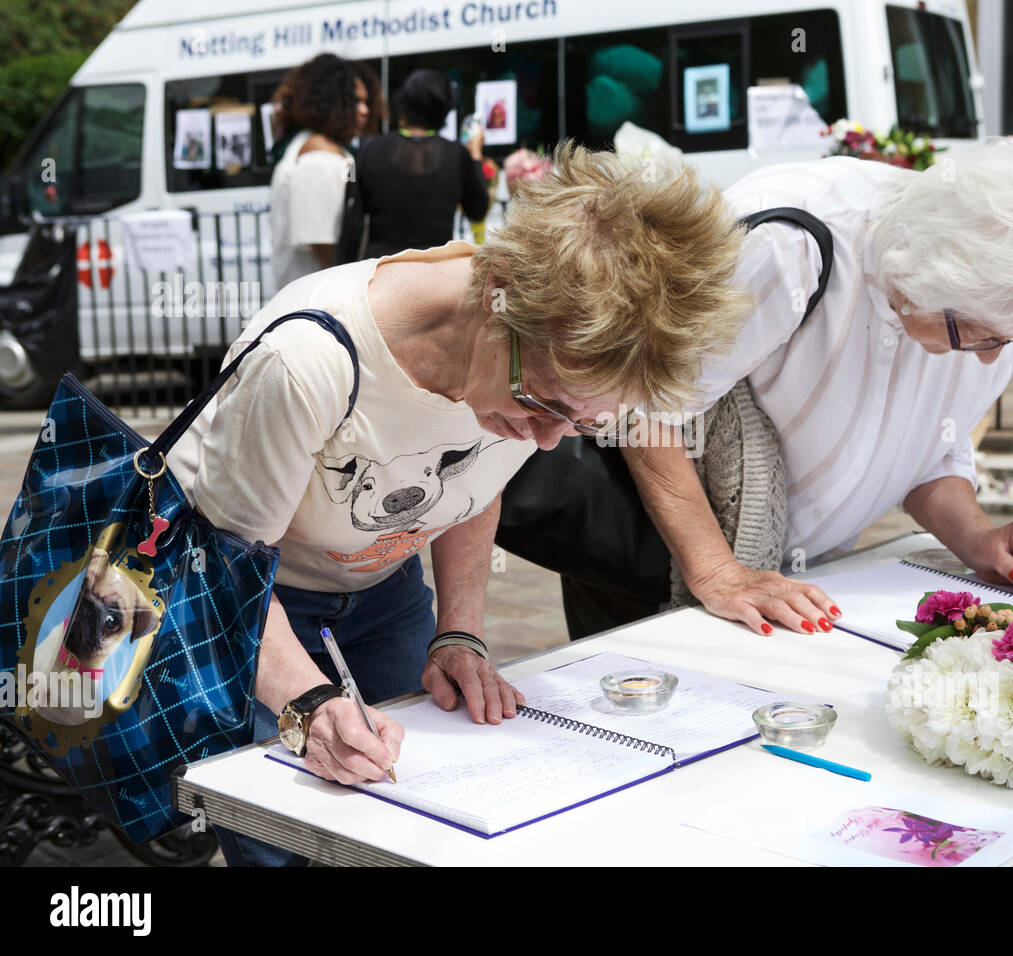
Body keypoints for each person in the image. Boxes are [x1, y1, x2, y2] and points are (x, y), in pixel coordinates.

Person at [167, 144, 750, 864]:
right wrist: (308, 706)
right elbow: (224, 573)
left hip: (384, 594)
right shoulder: (307, 361)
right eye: (542, 404)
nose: (546, 442)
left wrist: (461, 632)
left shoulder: (526, 364)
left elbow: (470, 486)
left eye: (584, 425)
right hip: (256, 603)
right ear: (497, 296)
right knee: (286, 835)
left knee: (416, 830)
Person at [556, 140, 1013, 638]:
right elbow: (647, 408)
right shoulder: (788, 245)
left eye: (1008, 342)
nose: (989, 360)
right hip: (655, 558)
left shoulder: (990, 307)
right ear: (916, 277)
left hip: (788, 578)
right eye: (971, 336)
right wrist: (716, 571)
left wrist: (978, 538)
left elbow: (929, 456)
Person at [268, 53, 378, 289]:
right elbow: (322, 244)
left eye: (366, 102)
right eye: (356, 102)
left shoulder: (327, 149)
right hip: (319, 301)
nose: (365, 111)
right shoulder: (319, 156)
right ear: (331, 103)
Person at [358, 69, 491, 258]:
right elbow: (478, 211)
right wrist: (475, 152)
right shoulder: (456, 155)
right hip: (434, 273)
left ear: (403, 104)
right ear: (444, 111)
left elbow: (354, 223)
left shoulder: (370, 150)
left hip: (380, 271)